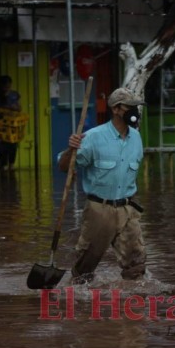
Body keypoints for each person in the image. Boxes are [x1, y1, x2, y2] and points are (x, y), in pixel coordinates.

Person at [58, 87, 147, 284]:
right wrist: (70, 149)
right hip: (100, 209)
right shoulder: (93, 137)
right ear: (116, 109)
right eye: (130, 107)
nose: (135, 112)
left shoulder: (137, 138)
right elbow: (64, 167)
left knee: (136, 266)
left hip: (128, 208)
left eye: (137, 107)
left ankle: (135, 306)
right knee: (85, 269)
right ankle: (81, 306)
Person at [0, 75, 21, 171]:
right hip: (1, 125)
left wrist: (13, 108)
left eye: (8, 86)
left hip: (12, 124)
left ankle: (11, 164)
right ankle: (3, 164)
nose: (7, 88)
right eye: (5, 86)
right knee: (2, 145)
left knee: (13, 144)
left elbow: (19, 108)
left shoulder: (13, 95)